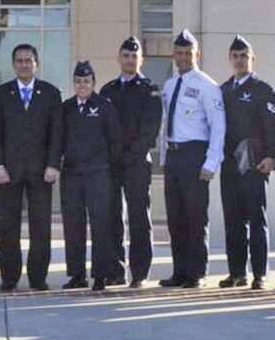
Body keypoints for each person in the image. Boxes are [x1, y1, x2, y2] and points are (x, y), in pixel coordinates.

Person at [0, 43, 63, 291]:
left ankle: (38, 277)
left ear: (36, 63)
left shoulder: (50, 93)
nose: (23, 65)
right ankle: (9, 278)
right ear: (13, 65)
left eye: (28, 60)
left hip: (41, 172)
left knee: (40, 227)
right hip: (8, 172)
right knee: (7, 227)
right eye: (19, 61)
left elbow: (56, 134)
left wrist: (53, 164)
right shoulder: (1, 93)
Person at [159, 29, 226, 289]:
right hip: (174, 156)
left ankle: (196, 272)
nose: (184, 57)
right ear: (173, 55)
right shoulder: (169, 85)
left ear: (197, 54)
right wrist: (164, 159)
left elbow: (218, 127)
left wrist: (211, 162)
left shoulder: (207, 86)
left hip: (195, 155)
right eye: (180, 53)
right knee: (176, 218)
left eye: (189, 53)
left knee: (196, 216)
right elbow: (167, 124)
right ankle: (180, 271)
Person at [218, 35, 275, 290]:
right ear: (229, 60)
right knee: (233, 220)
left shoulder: (262, 90)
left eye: (244, 56)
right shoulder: (222, 90)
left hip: (255, 164)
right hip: (229, 164)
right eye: (235, 56)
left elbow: (273, 129)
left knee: (257, 220)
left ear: (252, 59)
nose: (239, 60)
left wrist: (272, 157)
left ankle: (260, 274)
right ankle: (237, 273)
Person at [98, 36, 161, 288]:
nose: (130, 60)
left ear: (141, 59)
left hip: (136, 162)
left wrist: (129, 154)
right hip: (111, 164)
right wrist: (113, 155)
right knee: (112, 216)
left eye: (134, 56)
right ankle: (115, 270)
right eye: (126, 55)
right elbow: (101, 128)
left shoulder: (150, 90)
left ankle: (140, 273)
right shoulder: (108, 90)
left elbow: (150, 130)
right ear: (119, 58)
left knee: (138, 218)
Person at [60, 61, 122, 291]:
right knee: (73, 226)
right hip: (72, 175)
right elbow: (58, 139)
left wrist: (107, 167)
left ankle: (100, 275)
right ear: (74, 83)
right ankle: (77, 275)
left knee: (100, 225)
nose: (82, 85)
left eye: (86, 81)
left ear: (93, 83)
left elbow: (115, 140)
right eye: (78, 81)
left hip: (98, 174)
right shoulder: (65, 108)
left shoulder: (104, 106)